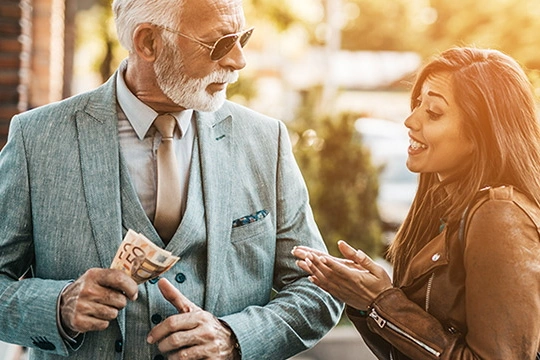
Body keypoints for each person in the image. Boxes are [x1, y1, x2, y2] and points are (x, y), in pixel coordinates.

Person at [0, 0, 343, 359]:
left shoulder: (264, 140)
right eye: (220, 43)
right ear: (148, 42)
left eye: (242, 38)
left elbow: (319, 288)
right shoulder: (36, 138)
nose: (239, 60)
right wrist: (57, 306)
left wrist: (235, 337)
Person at [293, 46, 540, 359]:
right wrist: (365, 299)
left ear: (481, 133)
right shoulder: (449, 210)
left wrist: (382, 302)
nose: (410, 120)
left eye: (433, 112)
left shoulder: (500, 215)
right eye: (417, 104)